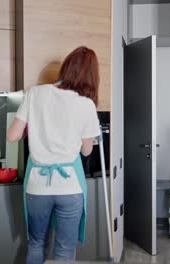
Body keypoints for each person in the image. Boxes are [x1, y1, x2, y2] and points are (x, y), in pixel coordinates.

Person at [7, 46, 101, 264]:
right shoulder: (86, 104)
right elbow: (87, 151)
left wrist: (34, 130)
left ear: (66, 67)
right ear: (91, 76)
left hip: (37, 186)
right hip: (70, 187)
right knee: (65, 250)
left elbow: (13, 136)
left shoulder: (35, 93)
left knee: (37, 243)